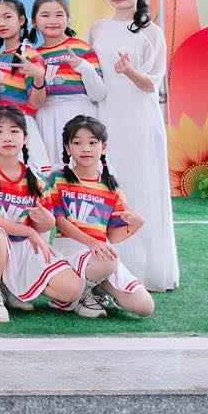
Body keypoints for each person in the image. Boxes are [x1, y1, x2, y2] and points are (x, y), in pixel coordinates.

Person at [87, 0, 177, 292]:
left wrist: (128, 71)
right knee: (111, 186)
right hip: (106, 117)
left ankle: (147, 269)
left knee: (142, 185)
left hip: (139, 120)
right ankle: (110, 267)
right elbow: (94, 77)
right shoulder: (98, 29)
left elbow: (152, 83)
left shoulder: (151, 32)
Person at [0, 106, 83, 323]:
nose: (7, 137)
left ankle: (14, 287)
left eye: (14, 131)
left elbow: (42, 225)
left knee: (72, 289)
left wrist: (46, 221)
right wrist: (30, 231)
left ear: (25, 138)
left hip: (22, 247)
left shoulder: (36, 176)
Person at [47, 114, 156, 317]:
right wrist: (91, 243)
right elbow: (59, 222)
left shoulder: (111, 186)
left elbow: (113, 236)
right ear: (68, 148)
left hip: (99, 254)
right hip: (69, 249)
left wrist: (135, 225)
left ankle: (94, 286)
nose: (85, 148)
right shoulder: (57, 178)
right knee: (107, 260)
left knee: (144, 307)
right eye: (77, 143)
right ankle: (79, 295)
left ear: (103, 147)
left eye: (92, 142)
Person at [33, 0, 105, 173]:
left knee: (84, 170)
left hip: (81, 113)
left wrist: (82, 66)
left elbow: (98, 94)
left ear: (68, 18)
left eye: (59, 15)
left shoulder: (82, 48)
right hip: (46, 117)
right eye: (45, 15)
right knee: (53, 172)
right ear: (34, 21)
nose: (52, 20)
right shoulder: (33, 55)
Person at [0, 0, 49, 177]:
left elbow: (37, 104)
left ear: (21, 20)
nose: (1, 23)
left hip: (21, 126)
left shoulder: (30, 56)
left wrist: (39, 78)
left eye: (7, 17)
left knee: (26, 182)